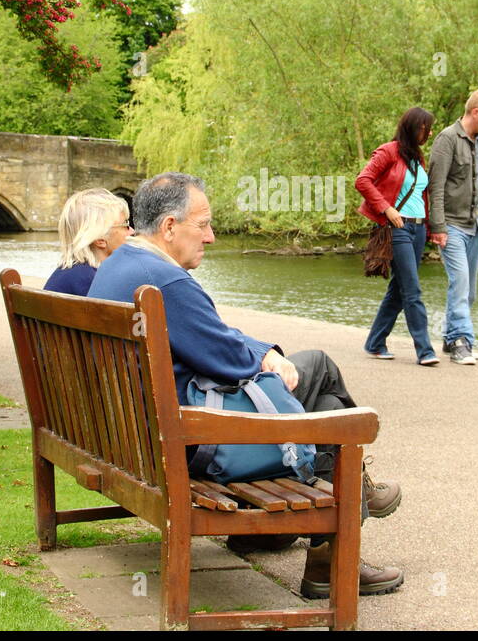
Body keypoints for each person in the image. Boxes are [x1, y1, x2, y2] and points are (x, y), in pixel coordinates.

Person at [88, 172, 404, 599]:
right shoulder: (166, 282)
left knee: (324, 403)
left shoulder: (121, 264)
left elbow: (212, 339)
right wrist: (266, 356)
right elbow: (229, 361)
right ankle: (337, 544)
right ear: (169, 227)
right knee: (321, 375)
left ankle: (276, 534)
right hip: (186, 440)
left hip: (132, 438)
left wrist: (263, 352)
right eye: (203, 225)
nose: (211, 237)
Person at [355, 106, 440, 366]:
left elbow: (421, 195)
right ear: (415, 127)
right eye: (427, 128)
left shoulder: (418, 157)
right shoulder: (389, 151)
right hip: (397, 227)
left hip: (418, 229)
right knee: (412, 290)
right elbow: (363, 180)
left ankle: (375, 343)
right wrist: (386, 208)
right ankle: (425, 351)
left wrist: (428, 229)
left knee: (397, 290)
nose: (430, 133)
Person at [427, 89, 478, 366]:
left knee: (469, 290)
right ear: (475, 112)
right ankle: (461, 341)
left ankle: (450, 338)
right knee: (459, 282)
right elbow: (435, 186)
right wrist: (438, 226)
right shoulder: (447, 139)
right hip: (452, 225)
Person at [44, 189, 133, 297]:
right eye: (125, 225)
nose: (132, 231)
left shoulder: (68, 273)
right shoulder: (95, 283)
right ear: (100, 240)